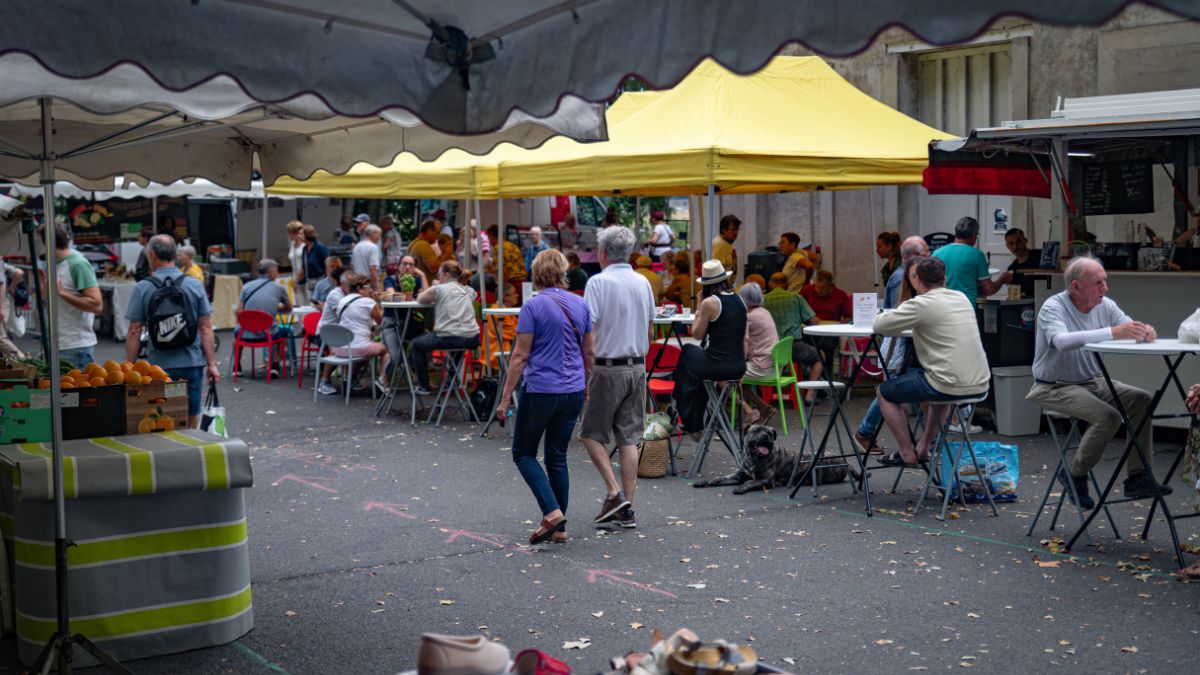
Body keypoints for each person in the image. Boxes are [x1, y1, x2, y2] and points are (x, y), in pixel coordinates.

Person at [1025, 256, 1171, 507]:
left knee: (1143, 400)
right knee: (1109, 417)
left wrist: (1145, 331)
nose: (1105, 288)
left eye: (1105, 281)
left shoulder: (1106, 305)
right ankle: (1074, 474)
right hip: (1053, 386)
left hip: (1094, 381)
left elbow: (1129, 327)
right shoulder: (1053, 306)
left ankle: (1138, 477)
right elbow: (1062, 342)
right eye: (1097, 283)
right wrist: (1113, 332)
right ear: (1076, 286)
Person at [496, 249, 593, 545]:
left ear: (536, 273)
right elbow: (589, 352)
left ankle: (551, 512)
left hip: (541, 390)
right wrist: (587, 384)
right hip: (573, 390)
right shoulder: (581, 304)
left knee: (523, 453)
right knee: (557, 456)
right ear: (563, 272)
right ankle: (560, 529)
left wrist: (505, 397)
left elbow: (520, 356)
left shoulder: (533, 307)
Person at [870, 257, 989, 467]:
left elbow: (879, 325)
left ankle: (906, 452)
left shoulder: (921, 304)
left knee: (884, 392)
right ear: (944, 279)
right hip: (979, 384)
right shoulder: (961, 298)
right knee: (941, 390)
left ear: (917, 281)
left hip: (945, 384)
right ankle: (924, 447)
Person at [580, 225, 655, 529]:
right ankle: (628, 509)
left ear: (603, 252)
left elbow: (589, 333)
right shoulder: (643, 282)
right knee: (628, 438)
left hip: (608, 366)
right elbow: (650, 330)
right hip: (637, 366)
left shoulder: (598, 282)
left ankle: (614, 493)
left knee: (591, 433)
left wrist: (586, 370)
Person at [126, 235, 219, 428]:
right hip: (192, 363)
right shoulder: (194, 284)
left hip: (159, 366)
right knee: (190, 416)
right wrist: (212, 364)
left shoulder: (143, 287)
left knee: (160, 417)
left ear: (152, 255)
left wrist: (130, 368)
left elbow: (135, 330)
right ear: (175, 255)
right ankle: (190, 444)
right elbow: (205, 328)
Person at [855, 236, 929, 451]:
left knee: (895, 391)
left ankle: (917, 443)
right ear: (916, 255)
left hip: (908, 343)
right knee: (891, 392)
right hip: (903, 344)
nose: (930, 255)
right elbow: (897, 315)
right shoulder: (902, 278)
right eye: (926, 252)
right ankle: (867, 432)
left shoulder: (907, 275)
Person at [674, 259, 748, 437]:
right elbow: (745, 339)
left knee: (687, 352)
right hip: (738, 366)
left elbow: (697, 334)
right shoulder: (740, 300)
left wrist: (699, 305)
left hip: (717, 365)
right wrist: (741, 366)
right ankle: (693, 421)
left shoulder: (710, 303)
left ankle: (690, 420)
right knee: (696, 374)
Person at [411, 261, 481, 396]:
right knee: (458, 344)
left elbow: (420, 299)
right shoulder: (469, 290)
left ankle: (424, 386)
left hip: (450, 337)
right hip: (473, 338)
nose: (438, 277)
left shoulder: (439, 289)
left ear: (446, 275)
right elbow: (469, 297)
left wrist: (436, 286)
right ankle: (450, 382)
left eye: (439, 275)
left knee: (416, 345)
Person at [44, 224, 102, 369]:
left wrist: (63, 293)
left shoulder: (78, 264)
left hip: (75, 348)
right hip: (57, 344)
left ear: (47, 242)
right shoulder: (52, 264)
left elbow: (96, 305)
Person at [762, 272, 823, 400]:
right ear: (787, 285)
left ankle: (764, 393)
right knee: (820, 357)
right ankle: (810, 394)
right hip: (792, 347)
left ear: (770, 284)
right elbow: (814, 321)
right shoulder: (796, 298)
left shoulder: (762, 300)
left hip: (767, 349)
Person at [331, 272, 389, 391]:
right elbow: (380, 321)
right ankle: (383, 380)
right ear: (359, 288)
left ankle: (349, 378)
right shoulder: (369, 302)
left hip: (339, 348)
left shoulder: (342, 301)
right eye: (368, 287)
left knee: (364, 354)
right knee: (386, 350)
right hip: (358, 348)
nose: (371, 290)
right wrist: (377, 303)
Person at [236, 258, 292, 377]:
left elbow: (239, 311)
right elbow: (289, 308)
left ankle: (237, 367)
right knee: (284, 332)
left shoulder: (247, 286)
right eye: (276, 270)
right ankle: (275, 366)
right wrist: (274, 308)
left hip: (246, 334)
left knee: (236, 334)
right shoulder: (279, 288)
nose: (277, 273)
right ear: (270, 272)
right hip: (268, 334)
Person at [932, 216, 1005, 306]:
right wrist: (1002, 280)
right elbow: (989, 289)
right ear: (974, 236)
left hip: (942, 306)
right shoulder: (977, 255)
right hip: (966, 308)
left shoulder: (936, 253)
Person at [738, 281, 779, 425]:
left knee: (724, 376)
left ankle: (749, 412)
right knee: (739, 382)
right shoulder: (764, 312)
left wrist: (739, 363)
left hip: (762, 367)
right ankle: (763, 407)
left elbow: (744, 341)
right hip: (774, 365)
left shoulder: (748, 317)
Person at [315, 267, 351, 395]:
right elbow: (346, 314)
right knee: (338, 350)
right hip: (326, 332)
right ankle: (324, 382)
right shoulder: (335, 294)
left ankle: (349, 380)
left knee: (360, 348)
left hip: (342, 332)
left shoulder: (349, 293)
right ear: (340, 282)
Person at [487, 224, 527, 295]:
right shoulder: (512, 245)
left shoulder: (498, 248)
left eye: (488, 237)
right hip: (523, 283)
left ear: (491, 236)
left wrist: (502, 289)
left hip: (512, 285)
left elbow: (503, 272)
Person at [1003, 227, 1038, 298]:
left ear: (1025, 241)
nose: (1015, 246)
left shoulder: (1040, 257)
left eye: (1018, 241)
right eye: (1011, 243)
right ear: (1007, 246)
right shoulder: (1012, 269)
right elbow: (1015, 295)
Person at [0, 263, 24, 359]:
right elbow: (19, 272)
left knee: (1, 338)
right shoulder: (3, 263)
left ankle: (22, 358)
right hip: (4, 302)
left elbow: (19, 272)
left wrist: (11, 288)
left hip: (2, 303)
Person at [352, 224, 383, 289]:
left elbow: (352, 266)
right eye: (379, 235)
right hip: (368, 284)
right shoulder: (373, 247)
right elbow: (373, 268)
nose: (379, 238)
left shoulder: (356, 247)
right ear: (373, 233)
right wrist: (376, 287)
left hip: (357, 283)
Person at [286, 220, 308, 306]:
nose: (289, 235)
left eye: (290, 233)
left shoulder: (305, 245)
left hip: (304, 278)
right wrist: (294, 280)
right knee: (299, 303)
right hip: (295, 278)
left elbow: (305, 264)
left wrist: (296, 280)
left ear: (294, 233)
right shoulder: (292, 244)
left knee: (308, 303)